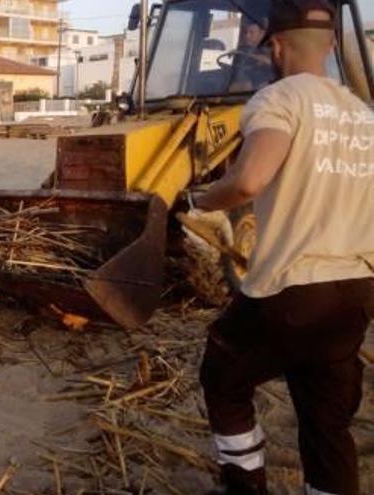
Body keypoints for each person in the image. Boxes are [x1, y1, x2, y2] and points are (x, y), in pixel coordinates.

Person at [187, 1, 374, 494]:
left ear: (274, 45)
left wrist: (202, 200)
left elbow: (248, 181)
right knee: (326, 425)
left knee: (223, 379)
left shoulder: (278, 99)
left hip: (292, 291)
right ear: (332, 46)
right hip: (354, 291)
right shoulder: (363, 115)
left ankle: (245, 487)